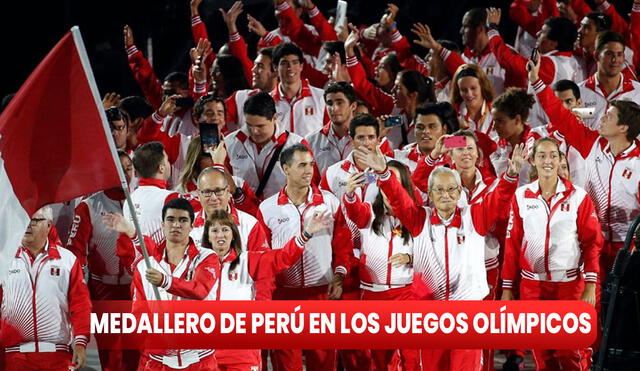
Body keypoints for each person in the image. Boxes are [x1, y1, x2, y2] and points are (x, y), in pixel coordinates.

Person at [353, 140, 524, 370]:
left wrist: (511, 176)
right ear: (430, 195)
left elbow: (499, 198)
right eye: (439, 190)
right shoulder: (418, 219)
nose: (446, 194)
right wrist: (383, 173)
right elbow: (397, 196)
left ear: (459, 192)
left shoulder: (474, 216)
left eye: (451, 189)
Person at [528, 54, 640, 295]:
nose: (601, 117)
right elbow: (560, 116)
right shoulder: (592, 144)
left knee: (624, 312)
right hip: (593, 245)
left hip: (628, 250)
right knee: (592, 307)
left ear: (623, 128)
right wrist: (537, 81)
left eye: (609, 116)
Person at [501, 138, 603, 371]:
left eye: (553, 156)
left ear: (560, 160)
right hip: (532, 287)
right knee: (542, 356)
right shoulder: (521, 196)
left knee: (572, 353)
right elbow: (512, 244)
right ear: (533, 161)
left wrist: (590, 284)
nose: (548, 161)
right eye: (542, 155)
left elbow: (591, 243)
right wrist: (507, 288)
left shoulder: (578, 197)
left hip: (568, 285)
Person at [257, 144, 354, 371]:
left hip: (320, 293)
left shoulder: (329, 202)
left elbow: (343, 245)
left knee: (323, 362)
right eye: (301, 165)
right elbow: (263, 257)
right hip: (283, 295)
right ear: (285, 169)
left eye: (311, 164)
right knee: (286, 363)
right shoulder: (267, 208)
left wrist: (339, 276)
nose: (309, 170)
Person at [202, 208, 332, 370]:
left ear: (233, 234)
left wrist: (306, 234)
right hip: (206, 353)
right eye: (214, 230)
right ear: (207, 236)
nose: (220, 235)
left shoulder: (249, 260)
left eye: (225, 229)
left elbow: (283, 257)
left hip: (242, 352)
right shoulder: (196, 265)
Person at [104, 199, 220, 370]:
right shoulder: (145, 266)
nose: (176, 225)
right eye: (171, 219)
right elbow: (138, 315)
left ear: (192, 225)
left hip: (199, 361)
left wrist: (165, 282)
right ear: (163, 224)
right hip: (156, 362)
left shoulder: (206, 257)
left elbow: (200, 290)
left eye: (183, 220)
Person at [342, 160, 420, 370]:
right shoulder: (369, 212)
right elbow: (354, 212)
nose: (388, 187)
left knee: (410, 356)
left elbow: (434, 253)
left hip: (405, 295)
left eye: (393, 181)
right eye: (384, 182)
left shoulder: (417, 216)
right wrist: (350, 193)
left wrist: (411, 258)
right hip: (372, 295)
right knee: (379, 358)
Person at [66, 151, 138, 370]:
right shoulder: (88, 206)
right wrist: (81, 288)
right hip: (103, 291)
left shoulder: (141, 202)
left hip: (136, 290)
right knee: (111, 358)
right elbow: (74, 253)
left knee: (137, 353)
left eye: (128, 168)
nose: (124, 173)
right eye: (118, 168)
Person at [1, 206, 91, 371]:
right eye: (23, 220)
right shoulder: (3, 258)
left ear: (49, 225)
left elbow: (81, 305)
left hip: (57, 356)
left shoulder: (67, 260)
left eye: (34, 220)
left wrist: (80, 342)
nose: (27, 225)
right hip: (14, 357)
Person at [221, 91, 316, 200]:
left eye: (260, 126)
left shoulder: (296, 144)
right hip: (244, 213)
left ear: (274, 118)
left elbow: (309, 186)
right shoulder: (230, 143)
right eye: (249, 125)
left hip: (282, 211)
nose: (254, 131)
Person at [485, 9, 581, 85]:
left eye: (543, 32)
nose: (537, 33)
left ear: (553, 43)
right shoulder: (571, 61)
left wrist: (492, 28)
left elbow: (509, 61)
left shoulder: (550, 65)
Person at [577, 31, 640, 130]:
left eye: (619, 54)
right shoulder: (577, 92)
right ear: (596, 55)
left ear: (624, 58)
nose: (615, 60)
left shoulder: (637, 92)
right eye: (609, 54)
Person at [270, 42, 328, 137]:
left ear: (301, 66)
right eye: (284, 63)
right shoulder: (267, 101)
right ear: (275, 67)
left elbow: (329, 135)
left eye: (295, 62)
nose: (290, 68)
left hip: (312, 152)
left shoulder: (321, 97)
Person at [489, 87, 540, 185]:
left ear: (517, 119)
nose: (494, 127)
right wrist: (450, 142)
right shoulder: (493, 143)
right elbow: (470, 140)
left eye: (500, 121)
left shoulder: (536, 145)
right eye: (494, 121)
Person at [305, 82, 357, 174]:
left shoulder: (369, 137)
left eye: (339, 103)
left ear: (353, 106)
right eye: (330, 103)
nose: (334, 108)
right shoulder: (311, 141)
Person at [449, 64, 497, 141]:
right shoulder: (452, 115)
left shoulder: (498, 112)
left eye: (473, 88)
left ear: (482, 86)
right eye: (464, 90)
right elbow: (446, 144)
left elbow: (502, 144)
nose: (469, 94)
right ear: (458, 91)